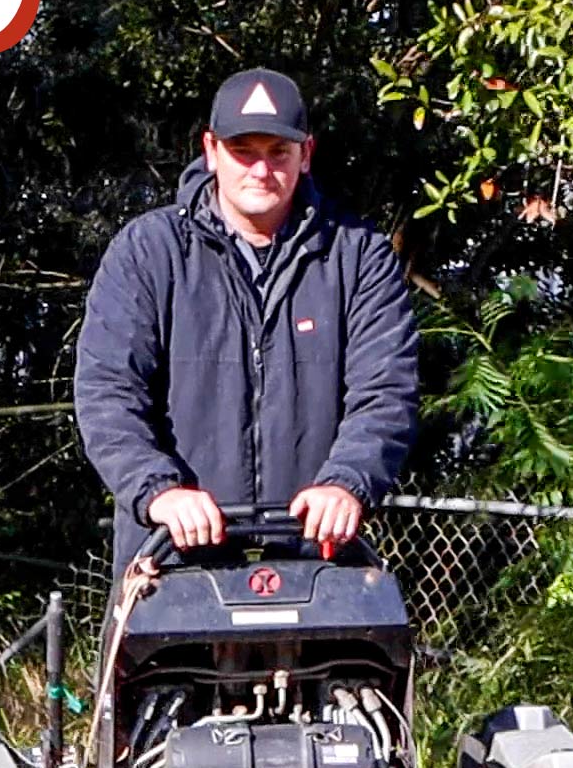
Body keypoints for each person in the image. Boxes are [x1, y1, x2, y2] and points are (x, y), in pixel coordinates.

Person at [73, 67, 419, 570]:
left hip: (316, 565)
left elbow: (387, 391)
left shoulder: (359, 256)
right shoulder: (148, 252)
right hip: (175, 564)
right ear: (211, 150)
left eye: (278, 151)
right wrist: (159, 492)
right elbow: (108, 393)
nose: (261, 170)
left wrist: (346, 483)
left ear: (306, 155)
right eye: (244, 151)